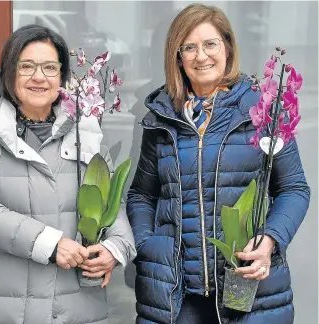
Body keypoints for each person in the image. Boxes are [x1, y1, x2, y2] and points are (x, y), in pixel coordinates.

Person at [126, 3, 310, 324]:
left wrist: (269, 240)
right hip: (177, 295)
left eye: (210, 44)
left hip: (251, 288)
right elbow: (141, 195)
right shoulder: (162, 118)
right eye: (189, 47)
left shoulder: (263, 109)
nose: (201, 56)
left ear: (227, 48)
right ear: (178, 57)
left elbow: (294, 188)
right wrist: (149, 245)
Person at [0, 24, 136, 324]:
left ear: (63, 77)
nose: (38, 77)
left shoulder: (85, 135)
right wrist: (50, 244)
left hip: (76, 308)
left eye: (49, 67)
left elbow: (111, 206)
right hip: (1, 308)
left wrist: (114, 248)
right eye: (26, 66)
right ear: (9, 74)